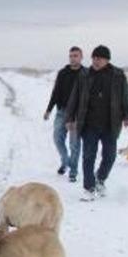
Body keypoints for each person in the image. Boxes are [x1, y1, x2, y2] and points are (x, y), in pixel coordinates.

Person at [65, 45, 128, 201]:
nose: (95, 61)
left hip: (111, 123)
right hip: (89, 124)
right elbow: (74, 98)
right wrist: (69, 118)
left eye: (99, 58)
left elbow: (125, 97)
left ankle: (100, 178)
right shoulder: (84, 75)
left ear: (107, 60)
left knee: (110, 156)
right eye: (94, 58)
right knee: (89, 156)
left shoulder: (118, 75)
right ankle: (89, 189)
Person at [44, 46, 86, 182]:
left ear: (81, 57)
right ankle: (65, 161)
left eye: (76, 55)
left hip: (77, 115)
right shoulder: (63, 73)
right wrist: (49, 109)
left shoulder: (86, 73)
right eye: (71, 56)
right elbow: (56, 92)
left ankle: (73, 170)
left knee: (74, 143)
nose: (73, 58)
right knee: (57, 138)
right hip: (62, 111)